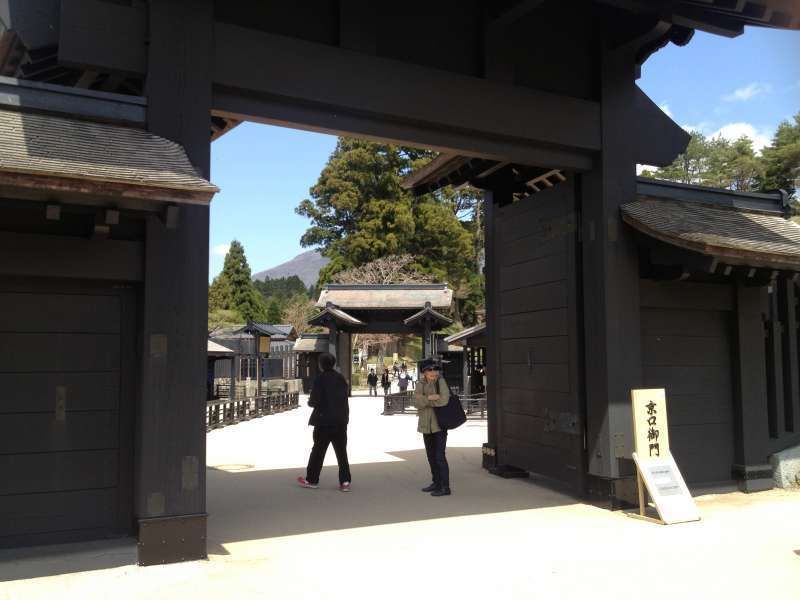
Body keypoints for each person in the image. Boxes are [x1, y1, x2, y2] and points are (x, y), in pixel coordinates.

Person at [297, 353, 352, 492]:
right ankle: (345, 481)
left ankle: (312, 480)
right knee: (341, 452)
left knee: (318, 452)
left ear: (321, 365)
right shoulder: (341, 379)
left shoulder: (319, 379)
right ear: (333, 364)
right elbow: (344, 399)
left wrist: (310, 402)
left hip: (323, 421)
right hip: (340, 421)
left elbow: (313, 401)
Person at [413, 359, 451, 496]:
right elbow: (415, 402)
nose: (433, 372)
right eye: (430, 370)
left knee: (439, 456)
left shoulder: (441, 382)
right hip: (425, 425)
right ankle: (436, 482)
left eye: (435, 369)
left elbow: (444, 400)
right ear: (424, 372)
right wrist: (430, 398)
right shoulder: (420, 383)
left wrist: (425, 400)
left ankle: (445, 487)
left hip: (439, 424)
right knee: (430, 456)